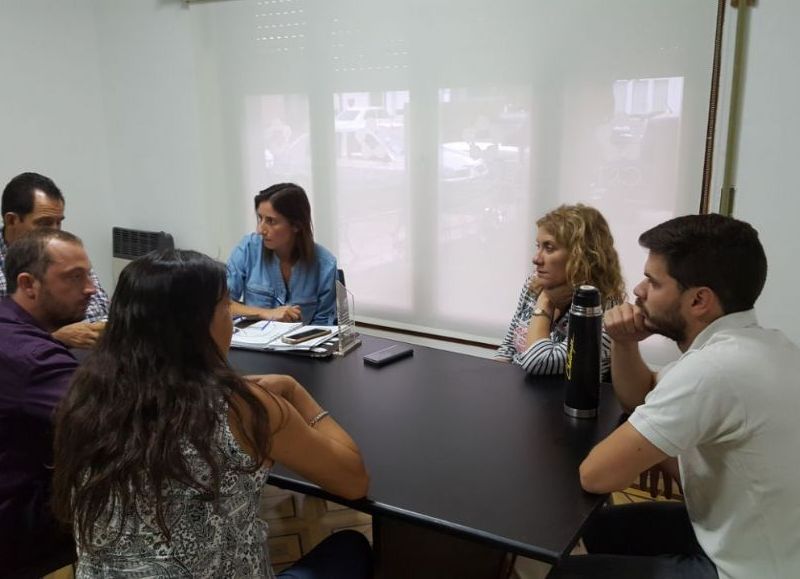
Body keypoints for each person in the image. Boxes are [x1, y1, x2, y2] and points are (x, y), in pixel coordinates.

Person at [52, 249, 372, 578]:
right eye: (226, 304)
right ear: (199, 322)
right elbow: (353, 481)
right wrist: (296, 393)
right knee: (350, 545)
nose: (231, 316)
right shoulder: (243, 407)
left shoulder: (84, 399)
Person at [551, 214, 800, 578]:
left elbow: (596, 475)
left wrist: (660, 448)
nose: (638, 290)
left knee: (564, 573)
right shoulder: (763, 345)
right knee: (594, 527)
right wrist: (624, 342)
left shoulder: (714, 370)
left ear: (699, 300)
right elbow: (642, 398)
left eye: (653, 282)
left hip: (747, 568)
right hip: (748, 534)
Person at [0, 229, 97, 576]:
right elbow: (110, 421)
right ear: (29, 284)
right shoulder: (34, 359)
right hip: (21, 531)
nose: (91, 288)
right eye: (75, 277)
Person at [495, 204, 625, 376]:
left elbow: (538, 362)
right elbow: (509, 345)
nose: (536, 259)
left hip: (561, 400)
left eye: (549, 248)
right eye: (538, 246)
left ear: (581, 255)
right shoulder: (535, 283)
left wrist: (545, 301)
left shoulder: (605, 311)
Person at [1, 172, 109, 348]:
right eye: (44, 223)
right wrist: (53, 337)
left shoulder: (62, 251)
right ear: (12, 220)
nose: (55, 231)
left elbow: (100, 310)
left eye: (59, 222)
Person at [227, 183, 338, 325]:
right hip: (253, 343)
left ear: (296, 225)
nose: (260, 230)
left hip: (300, 346)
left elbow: (324, 327)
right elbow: (223, 305)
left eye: (271, 221)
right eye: (260, 218)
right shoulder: (248, 249)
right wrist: (266, 313)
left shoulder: (325, 265)